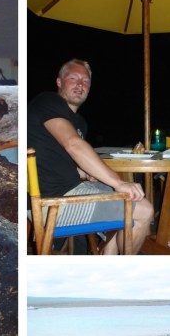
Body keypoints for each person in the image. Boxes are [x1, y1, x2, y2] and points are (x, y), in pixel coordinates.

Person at [28, 59, 154, 254]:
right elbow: (73, 145)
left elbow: (64, 157)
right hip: (53, 202)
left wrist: (85, 171)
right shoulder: (47, 101)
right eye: (73, 78)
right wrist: (118, 183)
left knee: (124, 193)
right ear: (59, 82)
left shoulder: (79, 122)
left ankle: (107, 263)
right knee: (143, 210)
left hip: (70, 191)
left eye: (85, 81)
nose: (80, 84)